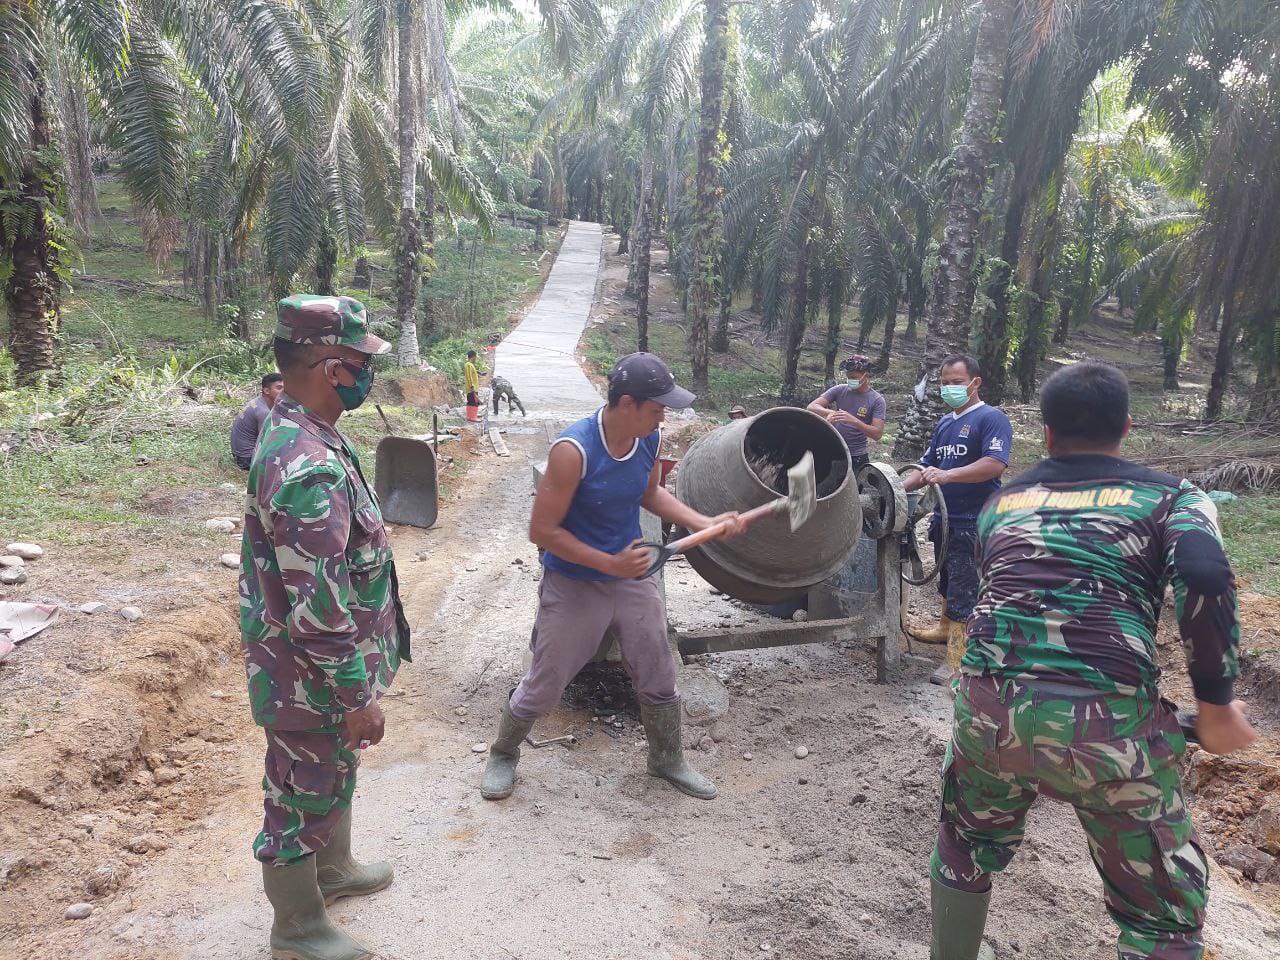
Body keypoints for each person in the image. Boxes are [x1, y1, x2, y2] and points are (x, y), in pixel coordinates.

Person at [927, 361, 1254, 960]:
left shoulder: (1004, 502)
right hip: (1109, 734)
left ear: (1045, 434)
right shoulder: (1172, 498)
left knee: (964, 846)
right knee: (1162, 916)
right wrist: (1215, 703)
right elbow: (1205, 575)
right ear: (1125, 427)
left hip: (988, 715)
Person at [480, 352, 745, 802]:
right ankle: (503, 752)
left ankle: (667, 759)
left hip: (630, 578)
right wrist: (608, 564)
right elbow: (541, 532)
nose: (664, 415)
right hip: (575, 583)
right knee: (547, 681)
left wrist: (702, 522)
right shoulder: (573, 451)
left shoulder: (648, 438)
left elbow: (650, 493)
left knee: (658, 668)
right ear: (626, 403)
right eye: (657, 406)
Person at [240, 294, 412, 960]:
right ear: (331, 367)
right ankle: (297, 928)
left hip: (317, 673)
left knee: (333, 768)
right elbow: (316, 608)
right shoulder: (305, 462)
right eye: (362, 360)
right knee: (298, 792)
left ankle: (332, 872)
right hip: (308, 677)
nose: (370, 373)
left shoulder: (307, 432)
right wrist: (355, 695)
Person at [903, 355, 1012, 675]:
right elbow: (923, 468)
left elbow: (995, 464)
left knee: (966, 588)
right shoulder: (945, 423)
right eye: (944, 383)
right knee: (949, 581)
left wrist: (949, 476)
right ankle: (944, 628)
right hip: (945, 517)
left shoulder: (991, 419)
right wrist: (894, 484)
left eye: (956, 382)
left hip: (973, 519)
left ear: (975, 383)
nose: (949, 388)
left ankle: (958, 661)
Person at [806, 355, 886, 469]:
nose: (850, 381)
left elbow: (877, 434)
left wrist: (854, 421)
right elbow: (812, 406)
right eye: (848, 377)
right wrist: (829, 412)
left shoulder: (877, 400)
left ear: (866, 376)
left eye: (853, 377)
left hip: (855, 455)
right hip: (831, 449)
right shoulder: (840, 390)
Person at [230, 372, 284, 470]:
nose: (283, 392)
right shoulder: (263, 412)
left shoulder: (257, 402)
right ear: (267, 390)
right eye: (279, 388)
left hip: (239, 454)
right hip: (246, 459)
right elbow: (267, 442)